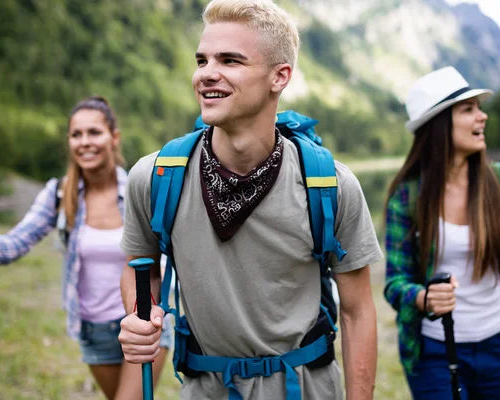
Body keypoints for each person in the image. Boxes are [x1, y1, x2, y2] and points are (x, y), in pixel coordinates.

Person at [117, 0, 381, 399]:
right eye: (202, 60)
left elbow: (358, 311)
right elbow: (141, 267)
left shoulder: (330, 185)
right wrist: (139, 316)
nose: (207, 74)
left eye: (230, 61)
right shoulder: (153, 178)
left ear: (280, 76)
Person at [384, 66, 500, 399]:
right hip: (431, 350)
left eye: (479, 108)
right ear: (439, 125)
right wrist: (423, 297)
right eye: (469, 110)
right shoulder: (407, 196)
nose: (482, 117)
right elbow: (394, 283)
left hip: (496, 343)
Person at [0, 96, 172, 400]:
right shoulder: (59, 193)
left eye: (94, 132)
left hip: (142, 321)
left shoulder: (139, 187)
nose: (84, 142)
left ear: (114, 137)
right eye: (76, 134)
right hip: (93, 330)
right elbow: (15, 242)